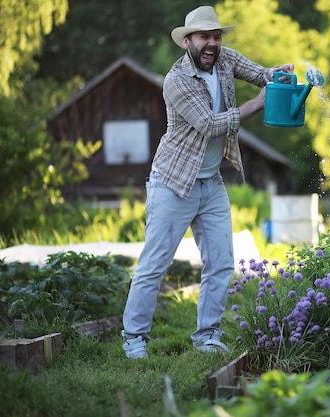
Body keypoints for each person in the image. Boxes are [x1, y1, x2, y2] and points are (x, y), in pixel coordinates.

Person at [121, 5, 294, 358]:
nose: (211, 43)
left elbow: (260, 74)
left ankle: (208, 336)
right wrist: (257, 104)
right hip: (172, 182)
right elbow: (212, 124)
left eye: (216, 36)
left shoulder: (225, 59)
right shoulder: (177, 80)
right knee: (155, 263)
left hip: (210, 183)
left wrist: (278, 74)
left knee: (221, 262)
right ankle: (134, 337)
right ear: (188, 41)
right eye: (204, 37)